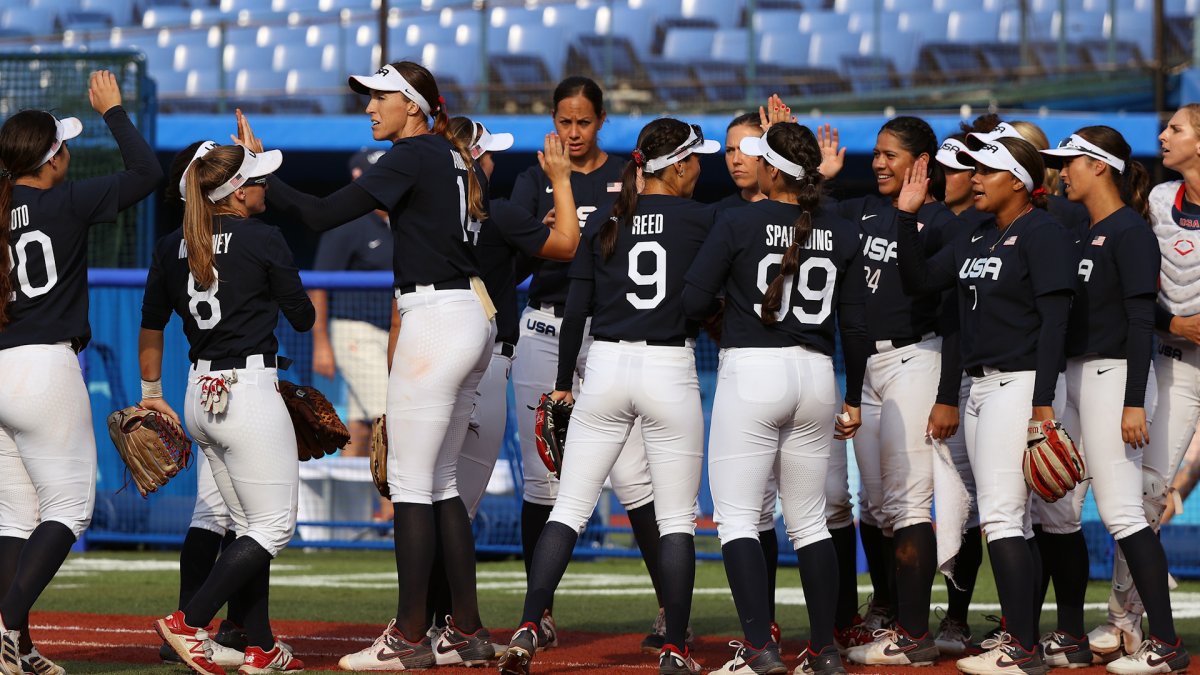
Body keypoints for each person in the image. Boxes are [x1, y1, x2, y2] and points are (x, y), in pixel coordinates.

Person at [252, 61, 497, 670]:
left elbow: (317, 215)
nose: (369, 108)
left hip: (436, 315)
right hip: (470, 312)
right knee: (439, 485)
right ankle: (465, 630)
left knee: (412, 487)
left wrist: (263, 170)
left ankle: (411, 637)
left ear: (412, 104)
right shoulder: (451, 155)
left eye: (379, 97)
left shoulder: (414, 155)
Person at [497, 117, 719, 675]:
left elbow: (577, 314)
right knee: (675, 520)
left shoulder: (607, 227)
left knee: (569, 506)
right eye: (697, 160)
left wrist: (564, 385)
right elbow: (705, 301)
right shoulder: (705, 219)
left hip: (604, 365)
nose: (700, 170)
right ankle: (675, 648)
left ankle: (528, 624)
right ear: (681, 165)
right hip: (669, 363)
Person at [684, 121, 868, 675]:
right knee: (810, 521)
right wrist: (852, 397)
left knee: (739, 519)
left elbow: (693, 298)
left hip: (753, 371)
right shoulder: (839, 230)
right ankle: (823, 650)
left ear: (770, 168)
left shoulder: (738, 220)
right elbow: (855, 326)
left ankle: (760, 649)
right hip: (817, 376)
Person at [894, 135, 1076, 675]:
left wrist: (1043, 405)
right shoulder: (976, 233)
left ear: (1019, 182)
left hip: (1022, 385)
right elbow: (920, 282)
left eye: (986, 170)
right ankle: (1021, 640)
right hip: (981, 388)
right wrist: (906, 219)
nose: (973, 178)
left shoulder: (1044, 233)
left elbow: (1055, 326)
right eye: (971, 170)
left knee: (1002, 516)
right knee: (1009, 521)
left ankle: (1020, 647)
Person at [0, 70, 162, 675]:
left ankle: (20, 646)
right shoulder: (64, 199)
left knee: (14, 518)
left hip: (1, 367)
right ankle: (6, 623)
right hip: (45, 367)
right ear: (52, 160)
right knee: (69, 508)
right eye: (62, 146)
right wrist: (115, 113)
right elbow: (148, 174)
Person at [508, 75, 665, 649]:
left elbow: (575, 245)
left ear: (601, 121)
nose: (572, 133)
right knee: (541, 475)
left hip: (611, 335)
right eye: (563, 121)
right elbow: (524, 258)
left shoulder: (628, 175)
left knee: (635, 476)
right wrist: (545, 226)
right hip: (546, 328)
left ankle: (670, 609)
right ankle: (539, 613)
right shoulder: (532, 178)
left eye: (583, 122)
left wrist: (562, 223)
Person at [147, 143, 310, 675]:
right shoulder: (264, 238)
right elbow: (303, 318)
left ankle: (259, 645)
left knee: (243, 524)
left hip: (199, 391)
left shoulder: (173, 243)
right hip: (247, 389)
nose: (264, 188)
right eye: (258, 180)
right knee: (272, 528)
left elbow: (155, 322)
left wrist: (150, 391)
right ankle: (188, 620)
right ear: (237, 192)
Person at [423, 118, 580, 662]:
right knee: (454, 500)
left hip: (430, 351)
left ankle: (428, 622)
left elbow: (500, 269)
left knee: (432, 493)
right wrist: (559, 182)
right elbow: (566, 245)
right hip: (485, 358)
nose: (494, 165)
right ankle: (446, 628)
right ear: (470, 160)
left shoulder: (430, 213)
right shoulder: (495, 210)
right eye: (487, 156)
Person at [1038, 126, 1191, 675]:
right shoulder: (1088, 229)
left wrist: (1132, 402)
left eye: (1071, 162)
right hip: (1078, 378)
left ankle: (1168, 645)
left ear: (1099, 166)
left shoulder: (1130, 231)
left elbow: (1137, 321)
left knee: (1123, 511)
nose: (1063, 172)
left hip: (1114, 376)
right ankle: (1073, 636)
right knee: (1054, 510)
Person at [828, 116, 961, 667]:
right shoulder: (862, 210)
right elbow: (807, 218)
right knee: (877, 502)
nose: (879, 162)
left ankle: (914, 633)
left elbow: (952, 317)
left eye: (890, 154)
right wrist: (822, 177)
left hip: (915, 358)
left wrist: (947, 393)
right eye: (876, 153)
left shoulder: (942, 222)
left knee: (907, 501)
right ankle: (888, 612)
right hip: (868, 366)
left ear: (921, 165)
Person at [1086, 103, 1200, 670]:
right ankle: (1124, 621)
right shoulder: (1155, 202)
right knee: (1146, 494)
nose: (1163, 135)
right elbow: (1134, 285)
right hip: (1177, 363)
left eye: (1176, 128)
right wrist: (1172, 324)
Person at [929, 134, 985, 657]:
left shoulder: (1017, 228)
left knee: (1015, 513)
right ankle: (955, 618)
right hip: (960, 376)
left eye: (955, 169)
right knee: (962, 505)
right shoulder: (951, 228)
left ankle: (1024, 626)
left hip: (1009, 381)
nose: (947, 177)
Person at [310, 149, 392, 459]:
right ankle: (389, 508)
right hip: (354, 332)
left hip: (387, 334)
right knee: (389, 420)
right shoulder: (348, 221)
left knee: (359, 427)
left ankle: (349, 509)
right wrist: (321, 344)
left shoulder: (397, 221)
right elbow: (318, 284)